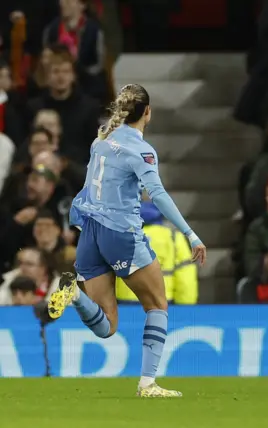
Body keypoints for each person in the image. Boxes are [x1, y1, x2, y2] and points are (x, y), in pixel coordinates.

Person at [45, 84, 207, 398]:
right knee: (158, 305)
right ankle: (147, 384)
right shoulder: (141, 150)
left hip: (90, 231)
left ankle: (74, 295)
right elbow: (157, 194)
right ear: (148, 112)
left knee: (107, 325)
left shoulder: (101, 139)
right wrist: (191, 234)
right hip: (120, 232)